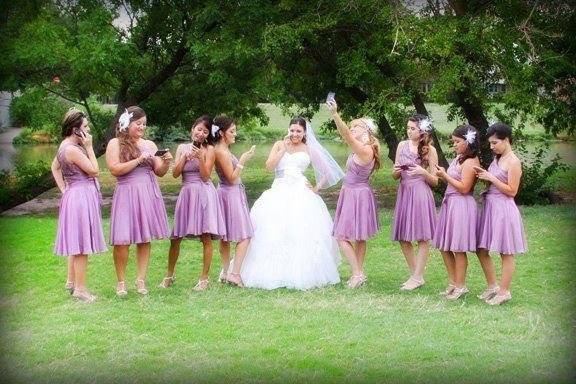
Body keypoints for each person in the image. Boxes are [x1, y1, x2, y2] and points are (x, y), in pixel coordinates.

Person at [240, 117, 343, 290]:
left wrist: (317, 187)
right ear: (288, 130)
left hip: (301, 192)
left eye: (298, 131)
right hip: (279, 190)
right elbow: (269, 167)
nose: (295, 134)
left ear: (304, 133)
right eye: (292, 130)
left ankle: (303, 271)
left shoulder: (309, 148)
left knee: (300, 230)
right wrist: (283, 150)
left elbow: (327, 170)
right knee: (273, 229)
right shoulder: (279, 144)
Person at [105, 106, 172, 296]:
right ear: (127, 124)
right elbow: (114, 169)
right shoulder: (115, 143)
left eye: (144, 124)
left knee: (144, 238)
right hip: (126, 193)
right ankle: (121, 282)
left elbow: (159, 171)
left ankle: (141, 280)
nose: (142, 127)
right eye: (138, 124)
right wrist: (138, 160)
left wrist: (166, 161)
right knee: (122, 239)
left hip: (147, 193)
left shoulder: (150, 145)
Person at [159, 115, 226, 290]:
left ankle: (204, 278)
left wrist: (200, 158)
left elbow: (205, 176)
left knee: (205, 236)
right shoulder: (182, 147)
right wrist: (184, 158)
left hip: (203, 192)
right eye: (199, 129)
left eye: (205, 131)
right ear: (192, 129)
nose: (201, 133)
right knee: (175, 238)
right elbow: (174, 174)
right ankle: (169, 275)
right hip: (187, 192)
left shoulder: (210, 149)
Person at [52, 108, 106, 303]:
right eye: (85, 126)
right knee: (82, 245)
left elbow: (55, 167)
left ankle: (71, 282)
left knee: (76, 241)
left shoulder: (64, 146)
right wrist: (90, 147)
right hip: (80, 197)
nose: (88, 129)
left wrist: (64, 189)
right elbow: (94, 171)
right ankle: (80, 290)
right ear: (75, 129)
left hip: (74, 195)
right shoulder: (72, 149)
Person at [327, 100, 380, 288]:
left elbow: (346, 134)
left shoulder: (365, 150)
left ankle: (358, 273)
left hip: (356, 194)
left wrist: (335, 114)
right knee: (359, 236)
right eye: (352, 128)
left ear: (364, 131)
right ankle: (358, 273)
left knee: (342, 236)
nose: (352, 130)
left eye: (355, 127)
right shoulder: (364, 148)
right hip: (353, 192)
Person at [475, 122, 527, 305]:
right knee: (481, 249)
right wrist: (484, 176)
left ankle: (504, 292)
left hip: (504, 210)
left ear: (506, 140)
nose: (492, 146)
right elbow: (494, 181)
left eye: (495, 142)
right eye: (490, 143)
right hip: (491, 208)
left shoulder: (513, 161)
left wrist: (492, 178)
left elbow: (512, 191)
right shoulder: (496, 159)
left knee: (506, 252)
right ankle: (493, 286)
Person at [391, 114, 439, 290]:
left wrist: (422, 172)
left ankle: (417, 276)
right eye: (408, 127)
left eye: (412, 128)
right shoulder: (402, 145)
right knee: (403, 236)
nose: (409, 131)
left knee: (422, 236)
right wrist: (396, 171)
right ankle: (415, 275)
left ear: (422, 131)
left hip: (420, 192)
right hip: (404, 192)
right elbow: (395, 175)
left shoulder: (430, 150)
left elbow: (435, 180)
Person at [433, 125, 480, 300]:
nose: (454, 145)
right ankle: (453, 282)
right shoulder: (459, 158)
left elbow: (464, 188)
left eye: (457, 142)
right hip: (450, 204)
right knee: (444, 247)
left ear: (468, 142)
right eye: (453, 142)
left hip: (461, 205)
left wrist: (445, 176)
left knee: (458, 248)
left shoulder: (471, 162)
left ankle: (461, 286)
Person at [213, 115, 256, 289]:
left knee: (225, 236)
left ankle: (225, 272)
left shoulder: (223, 149)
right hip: (229, 194)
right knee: (245, 235)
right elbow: (231, 178)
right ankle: (234, 274)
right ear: (222, 133)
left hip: (228, 193)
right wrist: (243, 160)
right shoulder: (221, 151)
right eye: (232, 131)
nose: (235, 134)